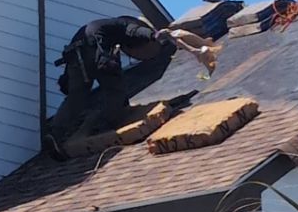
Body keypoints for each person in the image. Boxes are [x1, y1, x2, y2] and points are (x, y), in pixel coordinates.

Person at [43, 19, 215, 161]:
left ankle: (56, 133)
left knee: (76, 97)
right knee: (115, 91)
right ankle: (106, 124)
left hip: (75, 56)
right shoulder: (123, 25)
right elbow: (134, 32)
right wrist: (153, 35)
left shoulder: (102, 25)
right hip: (95, 52)